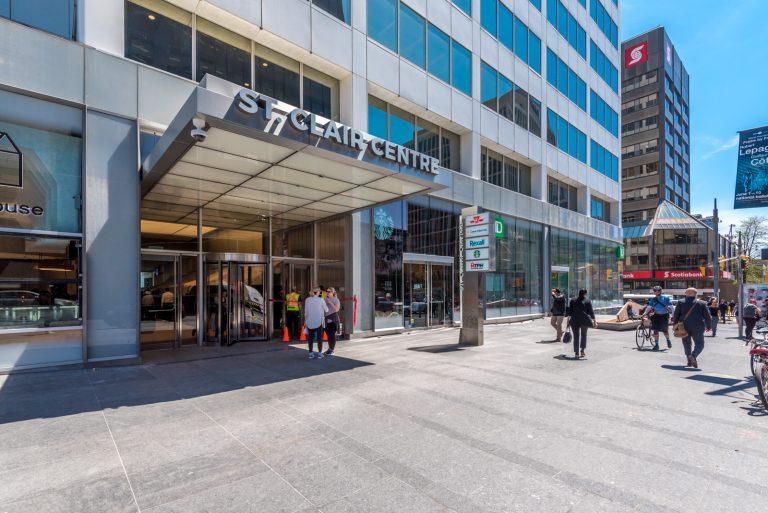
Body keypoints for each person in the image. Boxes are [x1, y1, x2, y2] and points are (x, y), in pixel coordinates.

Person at [672, 288, 711, 368]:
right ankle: (693, 356)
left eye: (685, 292)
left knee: (686, 343)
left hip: (683, 326)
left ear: (687, 293)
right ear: (695, 294)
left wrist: (675, 325)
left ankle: (689, 359)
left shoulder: (681, 302)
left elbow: (676, 314)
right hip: (698, 327)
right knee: (700, 343)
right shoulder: (702, 303)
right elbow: (707, 316)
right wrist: (709, 326)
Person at [566, 289, 596, 359]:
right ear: (585, 294)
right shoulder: (587, 301)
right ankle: (582, 351)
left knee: (576, 336)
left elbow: (570, 312)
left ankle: (576, 353)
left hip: (574, 320)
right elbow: (591, 311)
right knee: (584, 335)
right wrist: (594, 321)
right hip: (584, 320)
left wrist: (568, 321)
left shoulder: (573, 300)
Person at [642, 286, 673, 351]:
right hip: (656, 315)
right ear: (654, 292)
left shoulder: (666, 298)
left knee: (665, 331)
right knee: (655, 330)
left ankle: (668, 340)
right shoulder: (653, 299)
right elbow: (649, 308)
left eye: (658, 290)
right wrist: (644, 314)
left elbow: (671, 307)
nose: (657, 292)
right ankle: (656, 345)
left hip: (664, 315)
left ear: (661, 291)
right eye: (655, 291)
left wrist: (673, 315)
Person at [304, 287, 328, 359]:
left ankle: (310, 353)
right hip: (318, 321)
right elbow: (326, 310)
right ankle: (320, 353)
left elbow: (306, 312)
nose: (320, 293)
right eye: (319, 292)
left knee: (310, 338)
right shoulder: (321, 300)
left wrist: (305, 321)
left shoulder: (307, 300)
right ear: (317, 292)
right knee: (319, 338)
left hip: (310, 321)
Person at [324, 287, 341, 356]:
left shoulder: (336, 300)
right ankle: (330, 349)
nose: (327, 292)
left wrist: (330, 303)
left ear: (333, 292)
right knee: (329, 335)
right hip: (326, 320)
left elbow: (337, 309)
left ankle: (332, 350)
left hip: (333, 319)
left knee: (332, 335)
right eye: (327, 291)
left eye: (329, 291)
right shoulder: (325, 299)